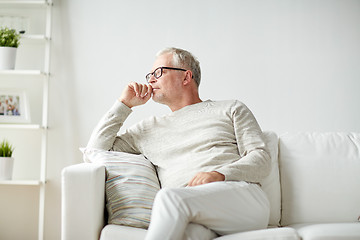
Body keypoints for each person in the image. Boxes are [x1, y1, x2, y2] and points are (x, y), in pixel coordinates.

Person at [87, 47, 271, 240]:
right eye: (150, 74)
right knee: (187, 233)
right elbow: (95, 151)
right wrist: (124, 104)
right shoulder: (147, 129)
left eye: (159, 72)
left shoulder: (230, 108)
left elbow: (261, 157)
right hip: (190, 211)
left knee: (169, 197)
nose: (150, 79)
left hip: (241, 199)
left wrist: (218, 175)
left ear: (186, 77)